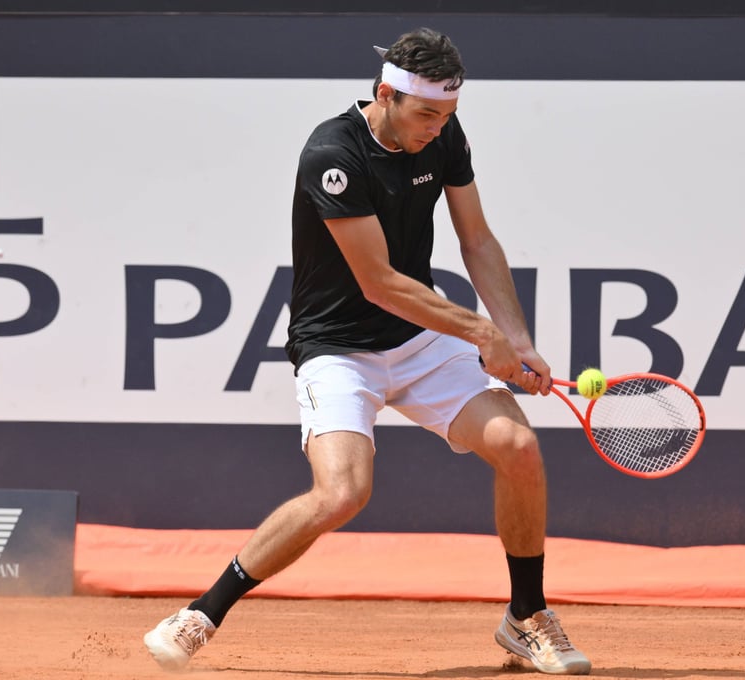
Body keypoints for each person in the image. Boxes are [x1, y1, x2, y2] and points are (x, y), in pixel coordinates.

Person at [143, 27, 591, 676]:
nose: (438, 129)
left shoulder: (445, 135)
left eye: (449, 116)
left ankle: (525, 617)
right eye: (427, 115)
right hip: (337, 348)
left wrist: (516, 339)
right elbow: (379, 283)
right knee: (342, 493)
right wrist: (482, 334)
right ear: (386, 94)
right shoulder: (333, 153)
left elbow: (478, 241)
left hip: (420, 341)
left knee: (518, 449)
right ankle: (201, 614)